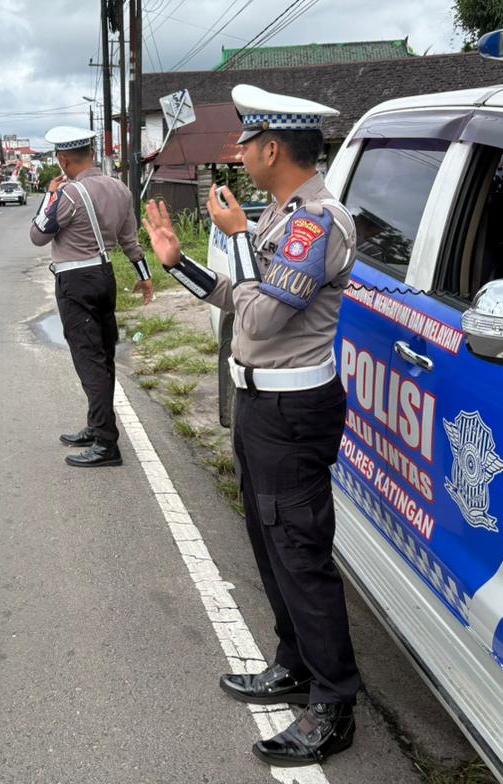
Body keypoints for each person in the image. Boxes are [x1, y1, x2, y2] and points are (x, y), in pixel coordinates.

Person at [143, 85, 361, 767]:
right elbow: (239, 296)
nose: (237, 153)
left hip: (293, 410)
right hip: (261, 405)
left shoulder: (316, 222)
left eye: (246, 141)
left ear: (273, 148)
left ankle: (332, 703)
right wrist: (179, 263)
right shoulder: (280, 217)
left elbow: (262, 317)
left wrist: (238, 240)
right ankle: (294, 662)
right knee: (269, 543)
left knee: (299, 551)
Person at [31, 126, 153, 468]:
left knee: (89, 360)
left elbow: (38, 235)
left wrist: (49, 196)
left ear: (64, 159)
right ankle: (95, 425)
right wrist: (145, 278)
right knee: (103, 356)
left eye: (58, 159)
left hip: (76, 281)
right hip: (105, 276)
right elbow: (131, 241)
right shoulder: (121, 189)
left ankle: (105, 443)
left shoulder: (69, 193)